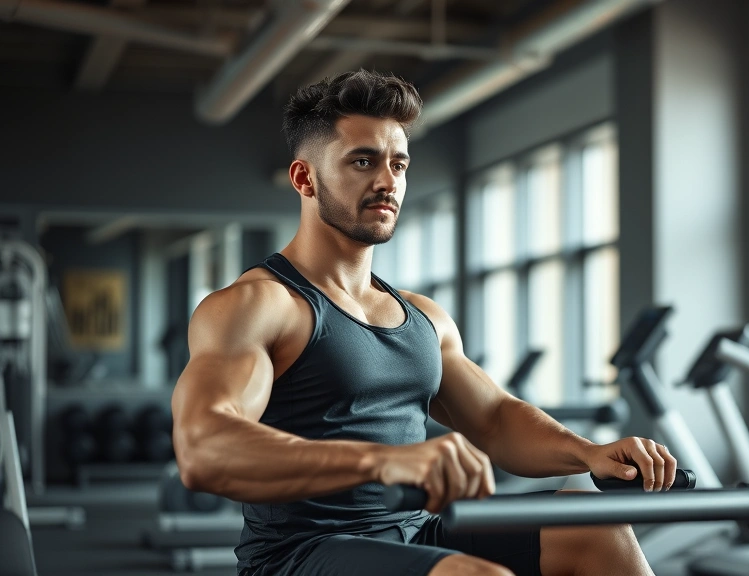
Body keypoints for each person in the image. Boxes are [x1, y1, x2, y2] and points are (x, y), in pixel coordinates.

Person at [171, 69, 677, 576]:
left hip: (417, 530)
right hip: (300, 554)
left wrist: (589, 453)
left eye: (398, 164)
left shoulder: (424, 317)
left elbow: (496, 420)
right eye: (363, 161)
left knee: (593, 521)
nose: (387, 181)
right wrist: (380, 462)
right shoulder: (259, 305)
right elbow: (203, 447)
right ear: (305, 178)